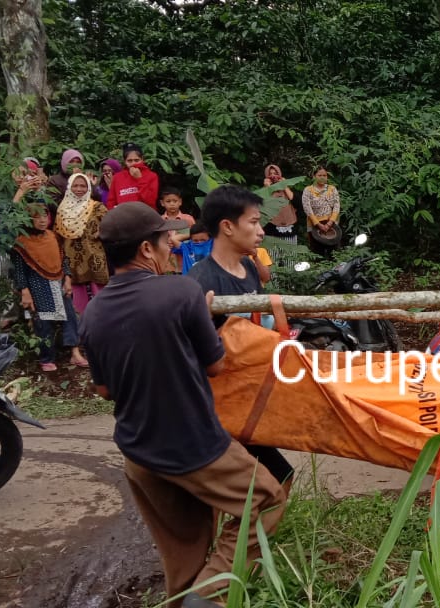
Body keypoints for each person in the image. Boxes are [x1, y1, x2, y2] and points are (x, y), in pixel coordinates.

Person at [80, 202, 287, 608]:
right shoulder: (181, 292)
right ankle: (211, 595)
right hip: (194, 443)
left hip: (139, 452)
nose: (172, 241)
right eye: (165, 237)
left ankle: (189, 596)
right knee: (266, 498)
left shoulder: (92, 314)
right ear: (145, 249)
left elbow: (105, 391)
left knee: (185, 549)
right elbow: (216, 365)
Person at [186, 185, 295, 492]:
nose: (260, 231)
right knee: (265, 483)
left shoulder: (247, 267)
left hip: (248, 396)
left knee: (278, 480)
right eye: (254, 222)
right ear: (228, 226)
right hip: (217, 406)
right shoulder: (200, 280)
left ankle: (257, 535)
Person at [11, 204, 88, 371]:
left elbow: (63, 259)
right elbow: (19, 270)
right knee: (43, 321)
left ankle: (75, 353)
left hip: (58, 281)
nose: (42, 220)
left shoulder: (52, 236)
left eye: (44, 216)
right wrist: (24, 291)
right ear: (29, 220)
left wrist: (67, 278)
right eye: (37, 217)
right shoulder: (22, 242)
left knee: (70, 317)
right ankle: (47, 358)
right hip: (37, 285)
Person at [54, 173, 109, 314]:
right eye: (75, 185)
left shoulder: (97, 207)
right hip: (71, 257)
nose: (79, 189)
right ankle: (82, 328)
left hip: (94, 257)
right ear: (69, 187)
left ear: (89, 188)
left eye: (83, 186)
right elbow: (58, 233)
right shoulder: (63, 208)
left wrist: (100, 233)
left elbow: (110, 225)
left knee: (100, 297)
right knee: (78, 300)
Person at [302, 167, 341, 256]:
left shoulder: (332, 189)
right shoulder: (308, 190)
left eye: (324, 175)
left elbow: (336, 206)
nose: (322, 177)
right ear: (314, 176)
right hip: (314, 225)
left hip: (331, 225)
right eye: (320, 175)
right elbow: (307, 208)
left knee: (334, 253)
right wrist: (318, 224)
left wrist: (329, 223)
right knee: (317, 254)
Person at [108, 143, 160, 210]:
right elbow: (111, 202)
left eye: (136, 160)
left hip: (145, 216)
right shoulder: (117, 177)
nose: (133, 163)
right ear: (125, 161)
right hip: (123, 216)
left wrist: (139, 179)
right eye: (129, 161)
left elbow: (150, 201)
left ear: (142, 159)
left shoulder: (151, 176)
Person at [262, 164, 300, 246]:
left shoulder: (286, 189)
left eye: (275, 173)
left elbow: (297, 203)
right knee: (273, 257)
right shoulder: (264, 190)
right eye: (270, 173)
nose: (273, 176)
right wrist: (267, 188)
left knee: (290, 257)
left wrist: (284, 185)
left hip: (289, 230)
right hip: (272, 231)